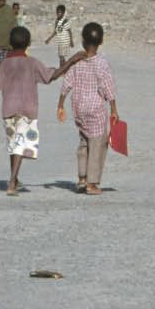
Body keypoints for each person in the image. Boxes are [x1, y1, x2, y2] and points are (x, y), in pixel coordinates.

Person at [0, 26, 82, 196]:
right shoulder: (32, 63)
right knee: (19, 145)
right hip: (27, 109)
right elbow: (51, 76)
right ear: (29, 43)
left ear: (10, 44)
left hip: (8, 109)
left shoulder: (5, 64)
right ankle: (12, 181)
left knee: (14, 145)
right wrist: (71, 61)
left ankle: (14, 179)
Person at [57, 22, 118, 195]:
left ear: (83, 41)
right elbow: (108, 88)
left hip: (79, 108)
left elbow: (67, 83)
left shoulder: (77, 62)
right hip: (96, 110)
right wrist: (114, 109)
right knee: (97, 144)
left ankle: (82, 178)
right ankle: (92, 183)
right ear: (101, 41)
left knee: (84, 141)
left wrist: (60, 104)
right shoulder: (101, 63)